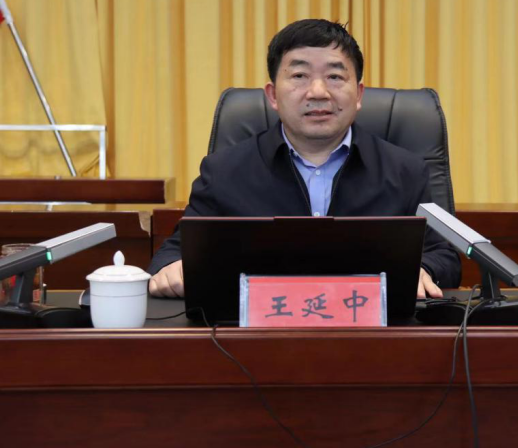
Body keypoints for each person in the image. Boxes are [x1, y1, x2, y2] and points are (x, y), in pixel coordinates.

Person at [148, 19, 460, 298]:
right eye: (299, 75)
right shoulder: (224, 171)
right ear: (273, 95)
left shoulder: (406, 171)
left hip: (370, 333)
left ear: (359, 94)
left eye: (335, 76)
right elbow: (173, 253)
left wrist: (425, 269)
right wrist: (173, 267)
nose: (318, 92)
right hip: (258, 336)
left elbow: (444, 255)